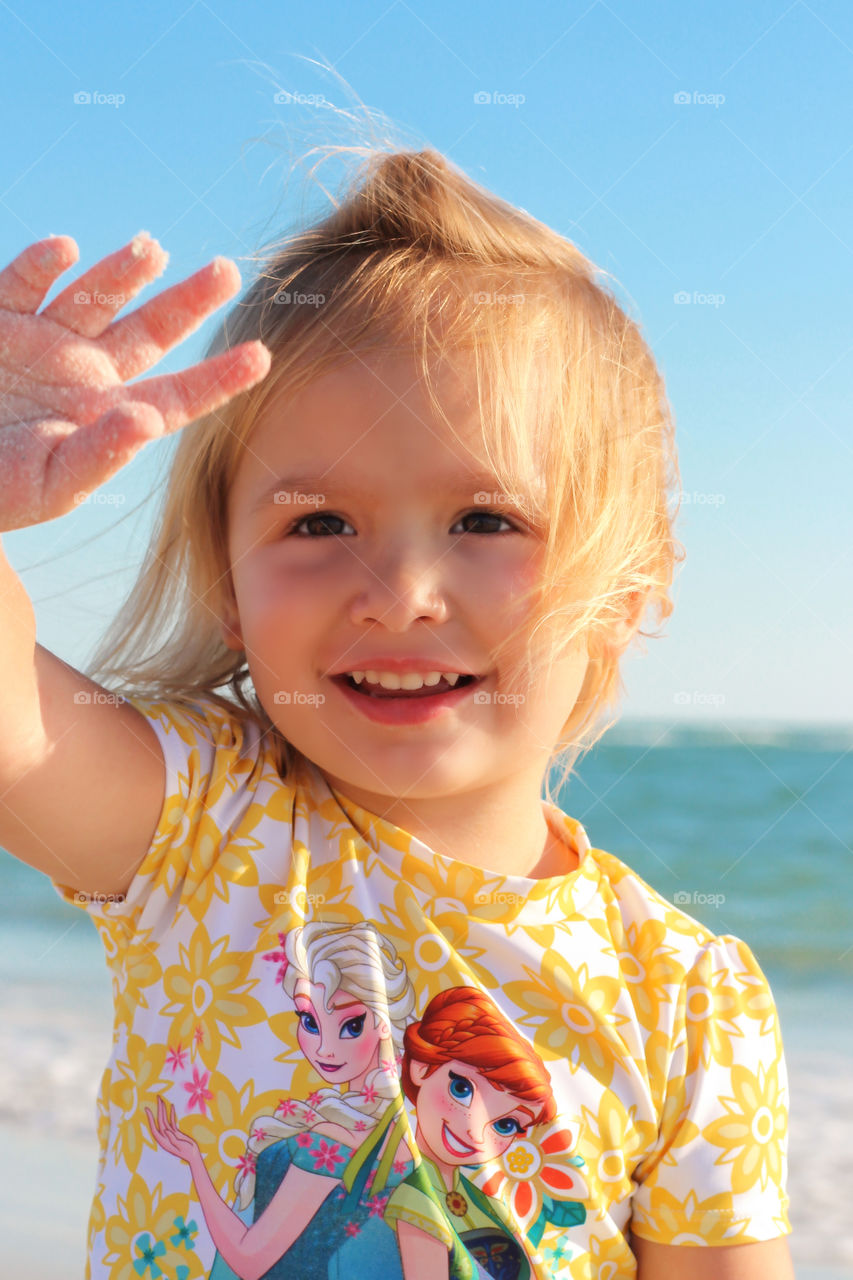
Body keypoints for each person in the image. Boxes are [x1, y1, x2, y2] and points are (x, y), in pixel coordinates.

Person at [0, 147, 793, 1279]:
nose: (400, 593)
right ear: (228, 587)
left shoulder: (687, 996)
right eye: (318, 524)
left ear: (632, 587)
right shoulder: (204, 826)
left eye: (485, 520)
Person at [146, 921, 418, 1279]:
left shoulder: (328, 1142)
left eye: (351, 1025)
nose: (324, 1048)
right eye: (309, 1020)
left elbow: (249, 1260)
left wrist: (195, 1161)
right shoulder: (410, 1128)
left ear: (384, 1024)